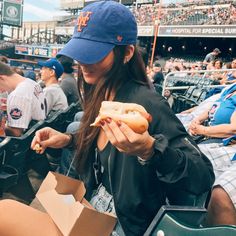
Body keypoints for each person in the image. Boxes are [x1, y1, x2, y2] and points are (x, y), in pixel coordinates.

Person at [0, 1, 214, 235]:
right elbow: (101, 142)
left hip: (123, 225)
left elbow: (202, 177)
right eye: (81, 52)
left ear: (127, 53)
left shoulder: (148, 103)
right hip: (92, 208)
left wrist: (150, 150)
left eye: (94, 54)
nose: (83, 62)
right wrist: (68, 140)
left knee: (5, 212)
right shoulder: (100, 91)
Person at [189, 83, 236, 226]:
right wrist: (198, 120)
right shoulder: (231, 88)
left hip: (223, 142)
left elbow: (233, 129)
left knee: (221, 195)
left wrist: (202, 130)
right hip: (215, 139)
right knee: (182, 155)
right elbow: (213, 108)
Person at [0, 62, 46, 136]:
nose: (1, 91)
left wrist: (2, 126)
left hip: (28, 143)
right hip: (37, 133)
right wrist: (11, 105)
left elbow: (15, 133)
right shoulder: (32, 83)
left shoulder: (18, 95)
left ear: (1, 78)